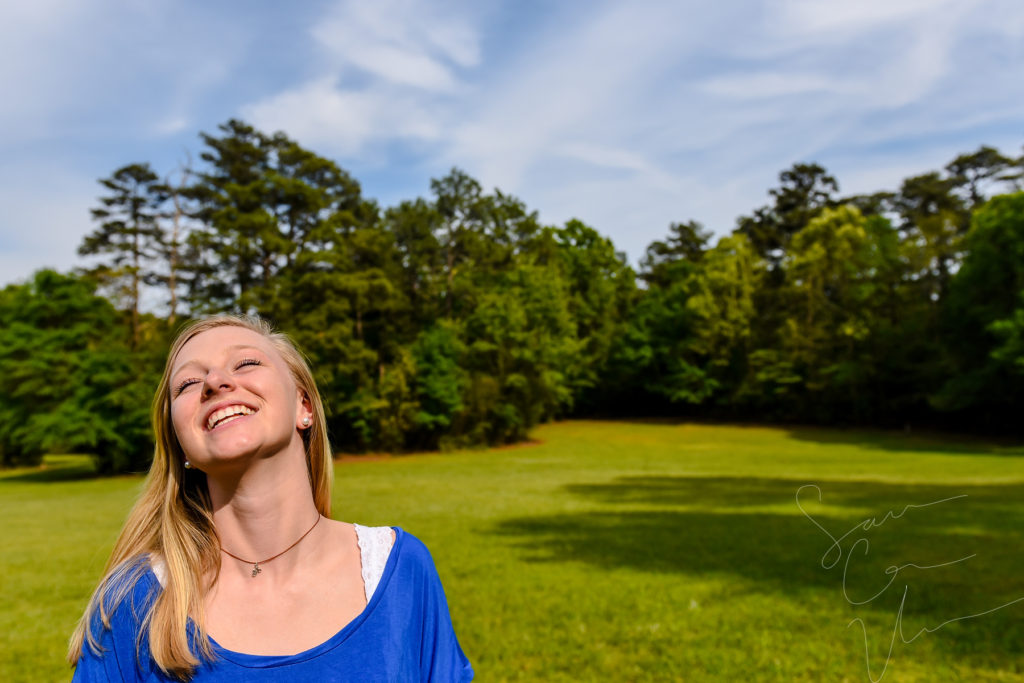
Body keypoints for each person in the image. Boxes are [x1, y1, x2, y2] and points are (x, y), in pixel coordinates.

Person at [68, 315, 473, 682]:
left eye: (245, 363)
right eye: (188, 384)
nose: (215, 382)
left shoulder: (401, 568)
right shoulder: (133, 605)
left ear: (304, 406)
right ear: (181, 445)